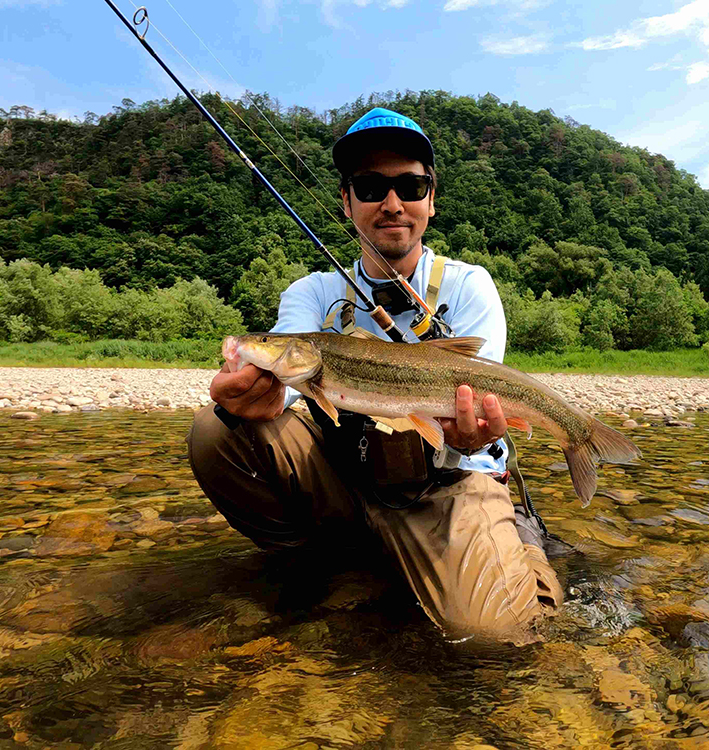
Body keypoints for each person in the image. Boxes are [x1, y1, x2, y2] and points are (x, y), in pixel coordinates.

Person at [186, 107, 563, 645]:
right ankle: (326, 562)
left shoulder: (468, 286)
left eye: (409, 186)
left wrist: (472, 433)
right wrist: (253, 396)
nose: (391, 204)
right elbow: (283, 383)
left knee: (495, 638)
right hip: (349, 482)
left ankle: (518, 543)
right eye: (369, 187)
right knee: (217, 430)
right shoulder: (312, 295)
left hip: (447, 485)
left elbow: (478, 414)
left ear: (431, 198)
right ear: (347, 201)